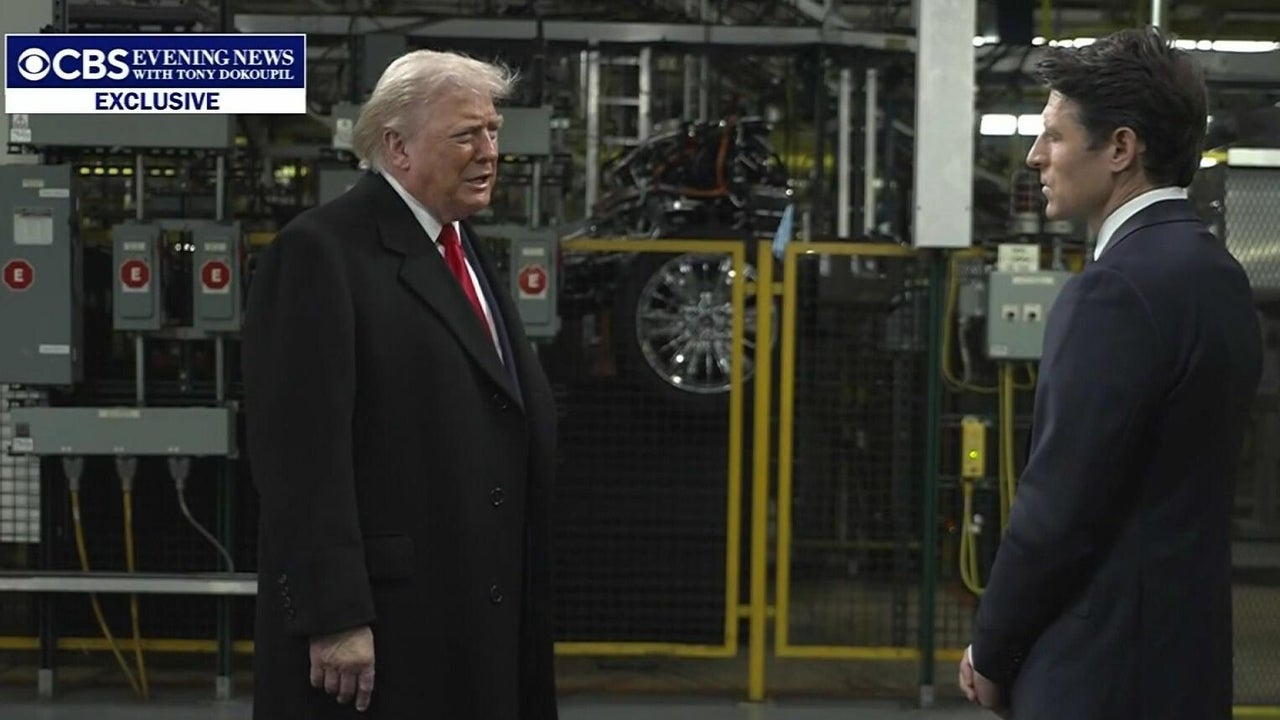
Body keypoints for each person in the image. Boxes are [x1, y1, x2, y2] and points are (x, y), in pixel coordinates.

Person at [242, 49, 559, 719]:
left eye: (493, 131)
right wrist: (334, 615)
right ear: (397, 146)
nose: (489, 152)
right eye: (465, 135)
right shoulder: (321, 253)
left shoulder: (463, 246)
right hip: (388, 628)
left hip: (473, 611)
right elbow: (300, 457)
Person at [959, 27, 1262, 720]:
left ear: (1121, 148)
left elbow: (1059, 508)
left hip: (1095, 674)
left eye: (1054, 135)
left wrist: (993, 649)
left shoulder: (1114, 291)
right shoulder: (1218, 276)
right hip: (1186, 667)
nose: (1035, 156)